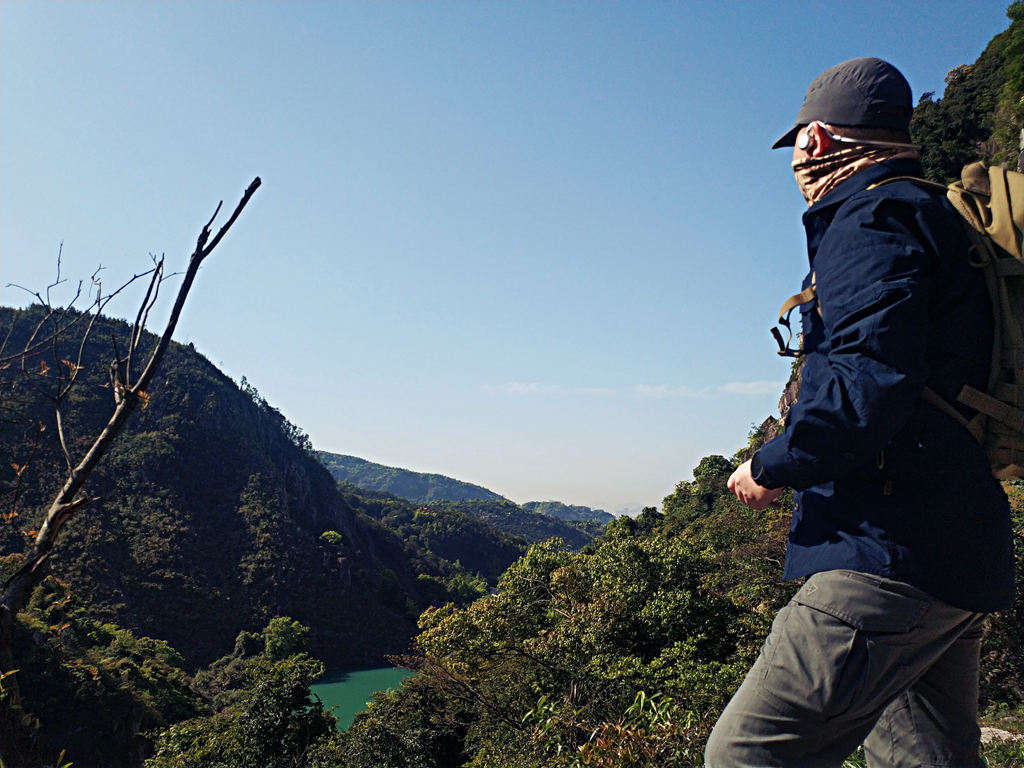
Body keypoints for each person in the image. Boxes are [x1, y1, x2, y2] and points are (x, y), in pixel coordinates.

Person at [704, 57, 1015, 768]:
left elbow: (867, 381)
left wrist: (771, 466)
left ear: (814, 141)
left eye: (799, 148)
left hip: (885, 549)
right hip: (956, 549)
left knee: (747, 754)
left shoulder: (871, 218)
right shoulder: (935, 217)